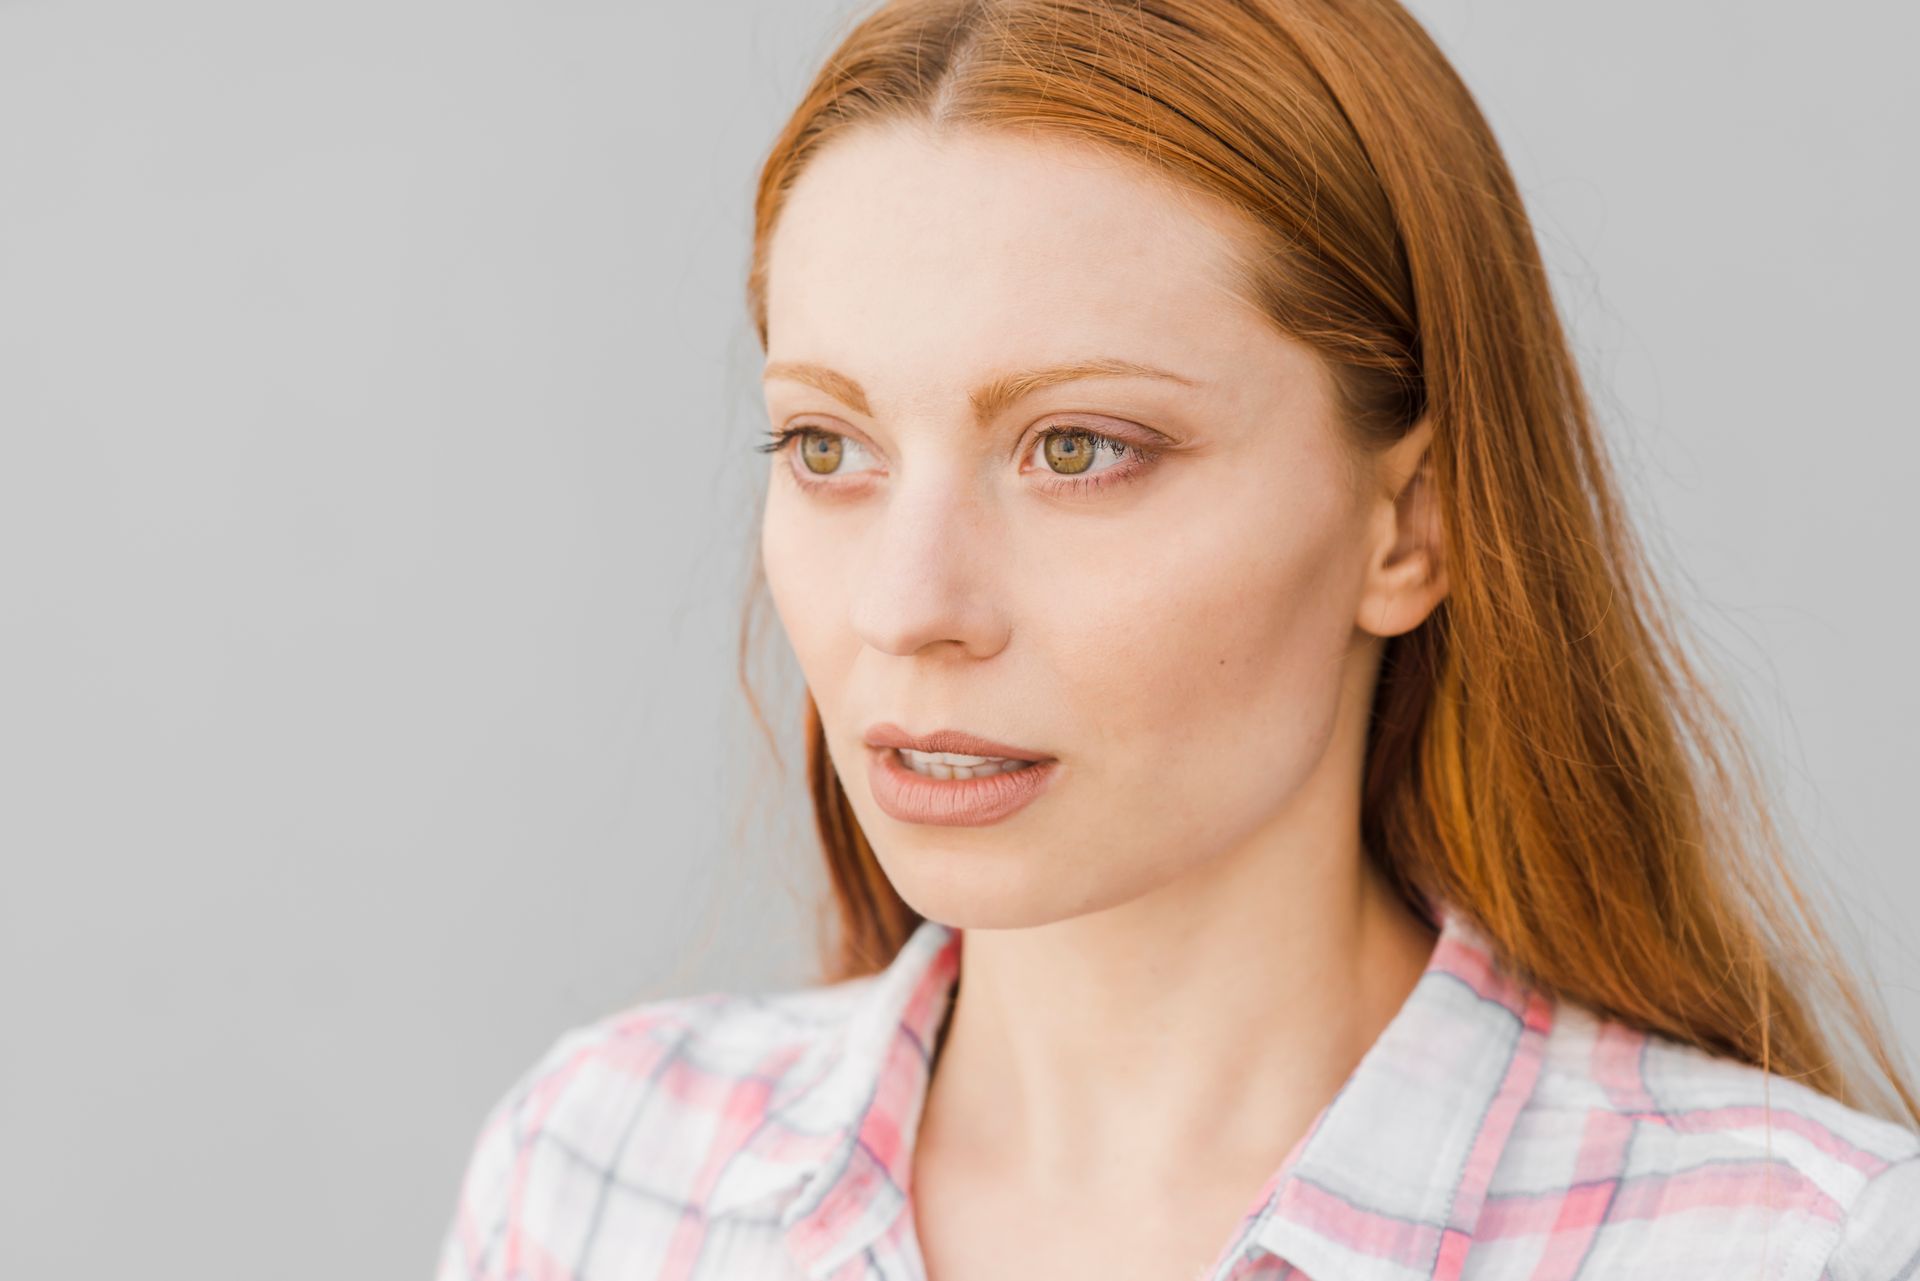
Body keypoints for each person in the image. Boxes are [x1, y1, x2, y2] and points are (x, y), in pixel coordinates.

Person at [435, 1, 1920, 1277]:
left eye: (1077, 448)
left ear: (1412, 526)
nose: (907, 606)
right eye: (828, 447)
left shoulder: (1795, 1247)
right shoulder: (601, 1176)